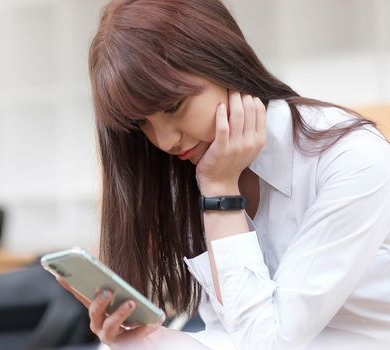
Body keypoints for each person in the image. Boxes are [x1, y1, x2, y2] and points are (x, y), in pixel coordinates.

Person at [54, 1, 390, 349]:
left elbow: (268, 344)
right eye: (143, 123)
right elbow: (234, 335)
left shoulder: (351, 158)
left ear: (223, 64)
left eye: (173, 107)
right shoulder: (193, 170)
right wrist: (142, 341)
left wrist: (219, 194)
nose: (165, 140)